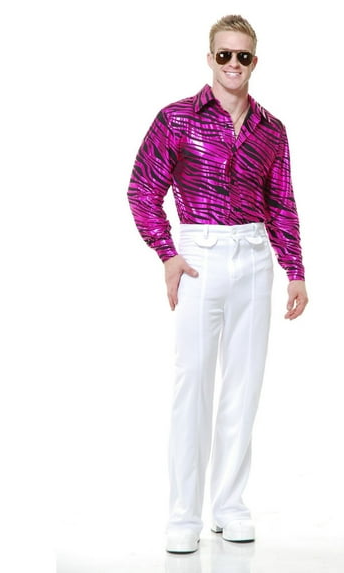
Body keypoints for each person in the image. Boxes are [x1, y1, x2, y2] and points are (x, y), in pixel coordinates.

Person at [127, 14, 308, 554]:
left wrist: (295, 269)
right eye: (224, 54)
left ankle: (230, 505)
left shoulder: (272, 130)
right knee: (193, 384)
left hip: (253, 256)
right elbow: (143, 188)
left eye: (243, 56)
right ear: (210, 59)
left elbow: (282, 203)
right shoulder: (176, 119)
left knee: (244, 386)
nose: (233, 64)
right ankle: (183, 513)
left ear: (255, 62)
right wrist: (167, 253)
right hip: (199, 256)